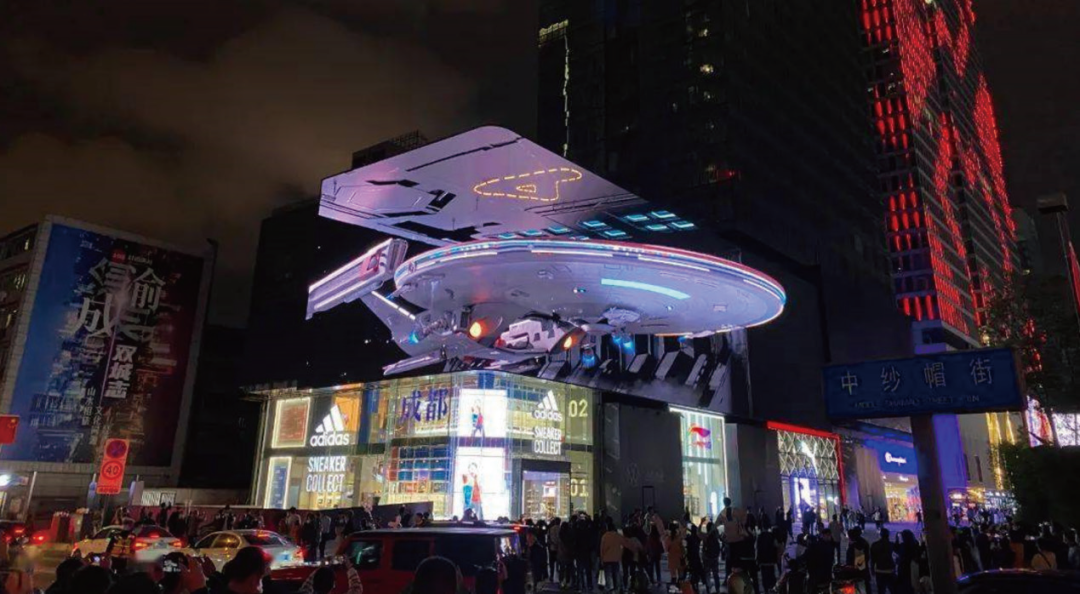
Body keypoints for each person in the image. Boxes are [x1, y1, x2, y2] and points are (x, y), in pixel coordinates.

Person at [756, 526, 782, 594]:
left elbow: (757, 549)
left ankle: (766, 590)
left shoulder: (760, 536)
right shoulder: (772, 535)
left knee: (764, 577)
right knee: (771, 576)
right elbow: (776, 545)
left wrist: (758, 560)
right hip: (771, 561)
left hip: (763, 561)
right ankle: (772, 589)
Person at [847, 527, 871, 594]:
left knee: (860, 585)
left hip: (857, 569)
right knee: (866, 585)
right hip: (862, 568)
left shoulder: (856, 544)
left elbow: (856, 560)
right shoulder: (863, 542)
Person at [702, 522, 722, 594]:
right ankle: (717, 589)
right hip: (714, 558)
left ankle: (708, 589)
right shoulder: (715, 535)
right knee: (715, 574)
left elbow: (704, 548)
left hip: (707, 558)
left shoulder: (706, 536)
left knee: (707, 574)